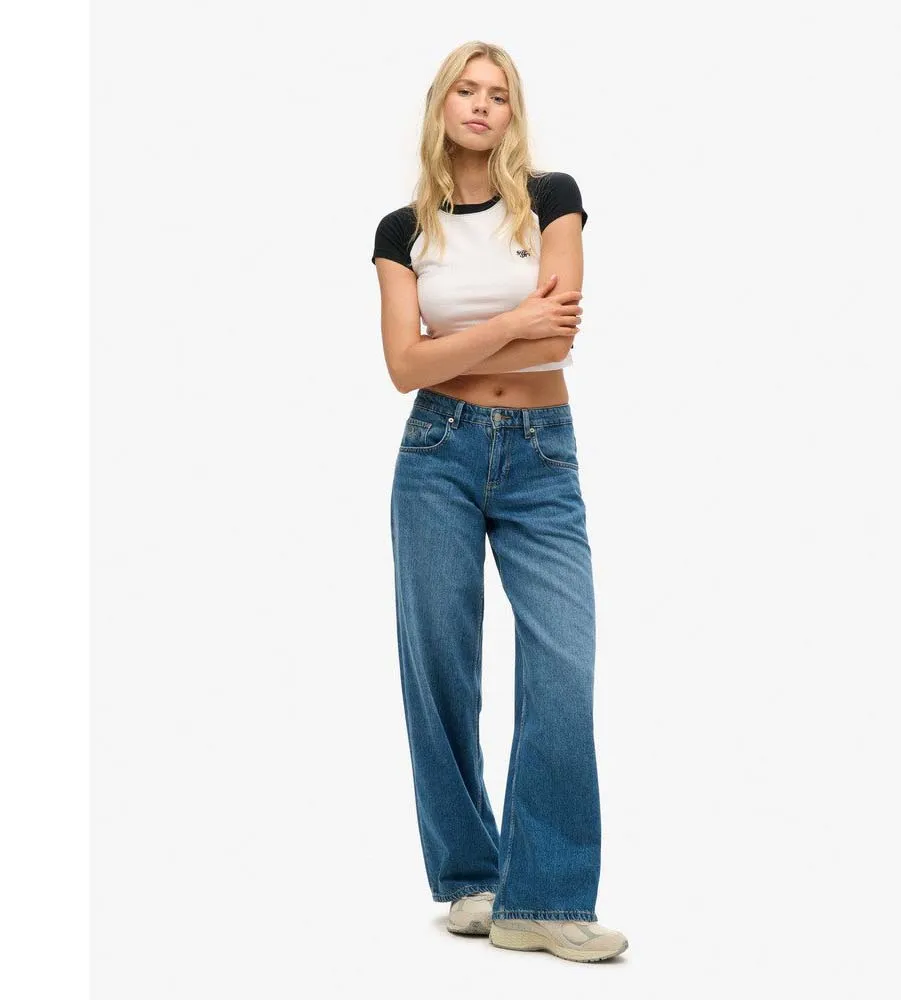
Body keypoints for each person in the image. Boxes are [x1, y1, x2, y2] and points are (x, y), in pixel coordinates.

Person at [371, 41, 628, 963]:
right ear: (441, 105)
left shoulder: (552, 200)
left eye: (499, 94)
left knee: (564, 660)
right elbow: (403, 366)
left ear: (513, 114)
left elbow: (556, 343)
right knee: (440, 668)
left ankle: (546, 898)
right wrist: (515, 321)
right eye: (466, 91)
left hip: (540, 456)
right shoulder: (402, 230)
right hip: (435, 455)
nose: (482, 106)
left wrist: (466, 341)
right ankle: (472, 879)